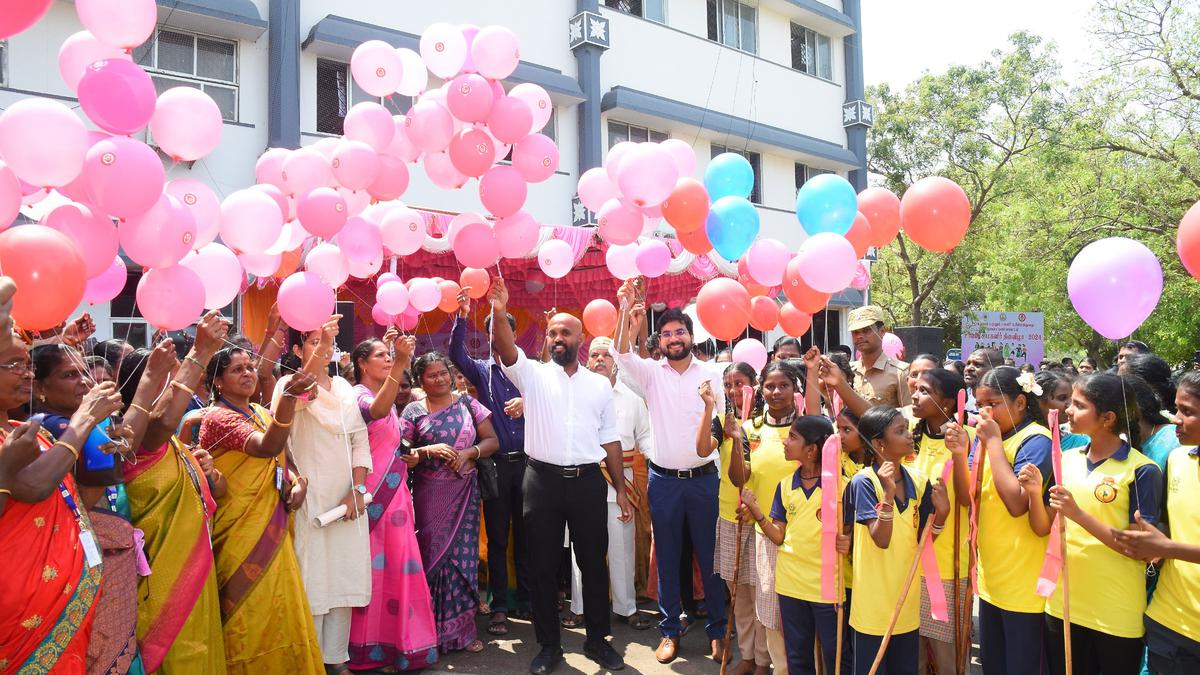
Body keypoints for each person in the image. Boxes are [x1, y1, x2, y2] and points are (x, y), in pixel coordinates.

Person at [488, 278, 630, 675]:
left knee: (592, 564)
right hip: (542, 482)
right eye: (552, 332)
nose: (557, 338)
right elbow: (505, 347)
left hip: (587, 482)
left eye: (565, 332)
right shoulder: (531, 375)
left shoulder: (600, 385)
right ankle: (549, 646)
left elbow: (611, 440)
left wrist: (620, 488)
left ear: (580, 338)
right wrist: (500, 310)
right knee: (543, 566)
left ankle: (599, 641)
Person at [615, 280, 728, 665]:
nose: (674, 337)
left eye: (680, 331)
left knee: (710, 558)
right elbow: (619, 351)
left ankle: (717, 630)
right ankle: (669, 630)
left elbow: (720, 427)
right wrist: (626, 307)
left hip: (704, 482)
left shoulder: (711, 374)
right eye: (666, 333)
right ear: (659, 341)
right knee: (666, 558)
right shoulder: (650, 374)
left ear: (691, 336)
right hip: (663, 482)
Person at [200, 346, 325, 674]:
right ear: (217, 383)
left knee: (279, 603)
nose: (247, 374)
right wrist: (288, 398)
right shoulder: (216, 417)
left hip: (273, 520)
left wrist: (299, 483)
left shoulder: (259, 410)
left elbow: (283, 457)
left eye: (249, 367)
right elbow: (266, 447)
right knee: (248, 609)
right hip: (238, 530)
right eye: (236, 370)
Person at [0, 341, 122, 674]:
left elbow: (78, 497)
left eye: (26, 364)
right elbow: (33, 487)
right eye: (13, 365)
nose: (25, 373)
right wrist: (85, 419)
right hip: (19, 611)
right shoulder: (30, 437)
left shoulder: (27, 435)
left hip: (63, 601)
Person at [120, 312, 230, 674]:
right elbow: (165, 417)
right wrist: (200, 351)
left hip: (194, 569)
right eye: (167, 378)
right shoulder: (136, 441)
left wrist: (208, 474)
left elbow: (211, 493)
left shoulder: (170, 443)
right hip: (165, 579)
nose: (177, 389)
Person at [32, 343, 147, 675]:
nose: (83, 382)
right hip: (71, 561)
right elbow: (93, 484)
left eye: (83, 372)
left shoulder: (76, 423)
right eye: (70, 375)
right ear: (39, 388)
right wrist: (100, 431)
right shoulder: (49, 425)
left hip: (99, 558)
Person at [1039, 373, 1162, 675]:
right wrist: (1032, 492)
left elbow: (1139, 548)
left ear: (1107, 418)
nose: (1069, 410)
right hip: (1063, 603)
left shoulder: (1143, 470)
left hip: (1115, 610)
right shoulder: (1064, 459)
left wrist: (1078, 514)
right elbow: (1044, 525)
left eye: (1079, 405)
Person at [277, 321, 373, 672]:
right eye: (315, 342)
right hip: (309, 497)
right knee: (313, 577)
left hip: (347, 499)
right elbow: (298, 400)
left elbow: (359, 440)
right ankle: (311, 661)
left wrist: (358, 489)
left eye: (328, 341)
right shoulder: (289, 387)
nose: (326, 347)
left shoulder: (346, 387)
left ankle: (337, 660)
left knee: (343, 576)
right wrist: (324, 343)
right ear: (298, 351)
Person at [346, 331, 439, 671]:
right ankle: (366, 648)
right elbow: (376, 411)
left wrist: (409, 456)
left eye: (390, 355)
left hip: (396, 494)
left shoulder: (382, 392)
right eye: (381, 355)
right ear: (361, 363)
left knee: (400, 569)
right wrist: (402, 362)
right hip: (371, 499)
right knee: (373, 572)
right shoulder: (356, 395)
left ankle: (401, 645)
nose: (387, 359)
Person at [402, 352, 499, 656]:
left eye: (443, 372)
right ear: (421, 381)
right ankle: (428, 631)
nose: (440, 379)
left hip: (465, 494)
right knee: (432, 557)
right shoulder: (413, 411)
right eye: (432, 375)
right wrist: (428, 451)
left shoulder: (469, 404)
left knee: (462, 561)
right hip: (430, 494)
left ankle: (463, 632)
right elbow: (403, 454)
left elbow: (492, 441)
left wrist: (470, 452)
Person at [739, 416, 851, 675]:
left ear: (811, 450)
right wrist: (757, 511)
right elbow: (778, 536)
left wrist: (849, 540)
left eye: (792, 437)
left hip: (827, 587)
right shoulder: (786, 485)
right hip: (790, 584)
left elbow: (852, 533)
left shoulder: (841, 487)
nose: (785, 442)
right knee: (797, 655)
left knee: (836, 655)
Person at [449, 289, 531, 636]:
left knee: (529, 537)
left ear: (512, 334)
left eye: (505, 329)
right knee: (497, 538)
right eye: (494, 331)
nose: (500, 337)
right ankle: (499, 606)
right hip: (496, 466)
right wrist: (462, 317)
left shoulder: (531, 372)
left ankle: (528, 601)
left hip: (531, 466)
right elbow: (455, 353)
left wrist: (530, 402)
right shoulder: (482, 371)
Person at [846, 406, 950, 675]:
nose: (909, 436)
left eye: (907, 429)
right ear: (879, 443)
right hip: (873, 604)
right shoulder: (864, 482)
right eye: (900, 431)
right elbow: (880, 539)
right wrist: (888, 498)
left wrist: (942, 513)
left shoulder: (918, 480)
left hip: (906, 601)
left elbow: (923, 541)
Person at [1112, 371, 1200, 672]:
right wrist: (1155, 540)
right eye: (1176, 408)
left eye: (1188, 412)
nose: (1176, 419)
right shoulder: (1178, 459)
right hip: (1168, 620)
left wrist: (1168, 547)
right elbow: (1177, 525)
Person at [565, 337, 655, 631]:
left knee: (622, 549)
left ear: (616, 363)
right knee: (582, 550)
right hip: (582, 481)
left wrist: (665, 463)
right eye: (594, 355)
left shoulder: (632, 398)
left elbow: (646, 438)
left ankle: (626, 607)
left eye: (606, 355)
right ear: (587, 360)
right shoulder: (572, 395)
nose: (600, 359)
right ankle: (579, 608)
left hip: (622, 485)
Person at [970, 366, 1054, 675]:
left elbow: (1017, 503)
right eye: (979, 405)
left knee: (1023, 666)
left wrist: (992, 443)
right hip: (993, 578)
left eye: (992, 403)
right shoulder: (987, 438)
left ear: (1020, 403)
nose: (984, 412)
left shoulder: (1036, 440)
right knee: (994, 665)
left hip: (1025, 582)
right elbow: (970, 493)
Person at [698, 362, 762, 675]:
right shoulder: (722, 422)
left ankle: (767, 660)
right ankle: (749, 657)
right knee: (740, 597)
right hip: (730, 516)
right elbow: (701, 450)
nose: (734, 390)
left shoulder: (769, 421)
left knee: (765, 596)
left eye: (741, 383)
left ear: (755, 383)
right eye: (729, 385)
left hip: (766, 520)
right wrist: (710, 408)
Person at [907, 369, 973, 674]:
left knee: (946, 652)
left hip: (947, 560)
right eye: (915, 388)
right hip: (908, 555)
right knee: (912, 646)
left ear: (948, 403)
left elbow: (967, 499)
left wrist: (959, 454)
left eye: (924, 391)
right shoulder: (907, 431)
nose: (915, 395)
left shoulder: (964, 438)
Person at [741, 361, 805, 668]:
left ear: (795, 389)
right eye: (770, 386)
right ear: (760, 390)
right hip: (766, 531)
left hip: (805, 534)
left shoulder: (808, 427)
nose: (776, 392)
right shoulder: (750, 429)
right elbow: (742, 476)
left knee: (801, 610)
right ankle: (776, 667)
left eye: (784, 385)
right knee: (769, 609)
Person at [846, 305, 910, 407]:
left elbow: (909, 417)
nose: (859, 336)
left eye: (866, 330)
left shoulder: (900, 372)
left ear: (882, 331)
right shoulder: (848, 371)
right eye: (855, 332)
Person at [1035, 370, 1090, 450]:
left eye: (1072, 398)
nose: (1070, 405)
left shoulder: (1081, 443)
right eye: (1062, 398)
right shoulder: (1026, 442)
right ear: (1038, 401)